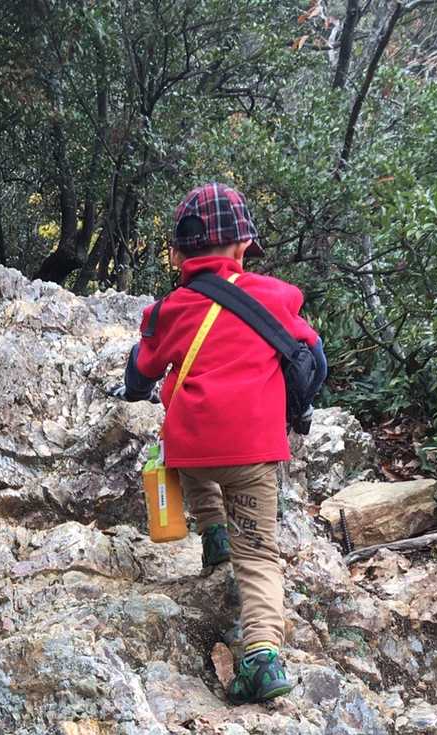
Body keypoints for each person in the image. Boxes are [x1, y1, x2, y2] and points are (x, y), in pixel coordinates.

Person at [113, 182, 327, 704]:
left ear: (177, 254)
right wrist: (299, 408)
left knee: (187, 461)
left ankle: (213, 533)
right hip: (254, 452)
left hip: (193, 450)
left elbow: (141, 374)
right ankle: (262, 658)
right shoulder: (277, 297)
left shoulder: (168, 310)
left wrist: (136, 383)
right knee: (260, 556)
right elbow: (315, 358)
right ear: (243, 247)